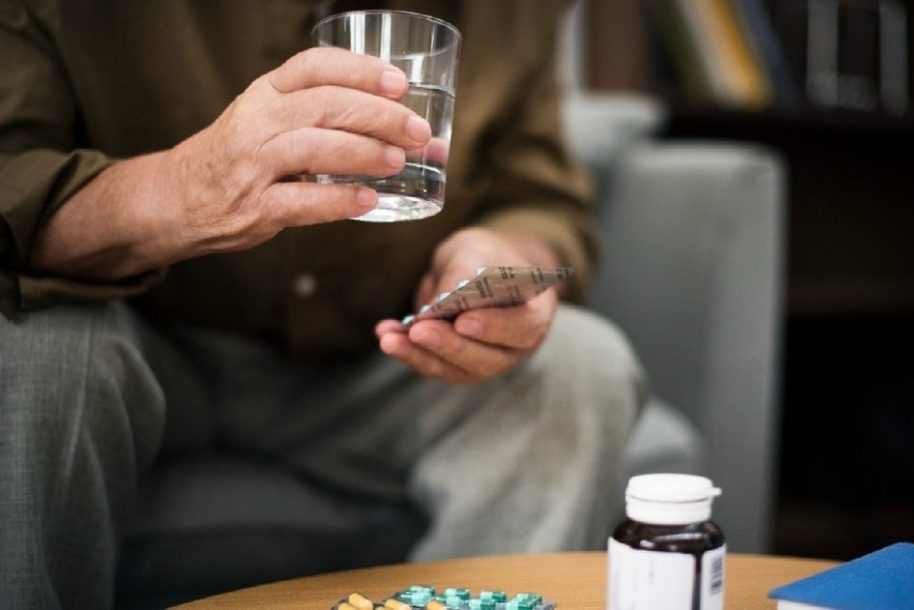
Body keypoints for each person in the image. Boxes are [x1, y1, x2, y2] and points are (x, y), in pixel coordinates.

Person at [0, 1, 647, 608]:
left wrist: (500, 252)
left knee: (582, 363)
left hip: (382, 363)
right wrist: (180, 191)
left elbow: (539, 196)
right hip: (142, 347)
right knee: (37, 346)